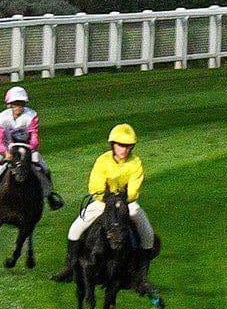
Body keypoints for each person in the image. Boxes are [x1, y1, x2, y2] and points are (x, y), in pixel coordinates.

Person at [53, 123, 158, 296]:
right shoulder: (103, 160)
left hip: (127, 204)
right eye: (120, 145)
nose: (123, 149)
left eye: (127, 146)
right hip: (103, 202)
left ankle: (142, 278)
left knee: (147, 234)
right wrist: (107, 198)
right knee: (75, 229)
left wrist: (121, 199)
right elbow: (95, 185)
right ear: (113, 145)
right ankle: (70, 267)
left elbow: (133, 189)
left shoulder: (136, 162)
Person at [0, 85, 62, 211]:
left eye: (21, 103)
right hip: (6, 149)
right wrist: (5, 152)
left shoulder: (31, 116)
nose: (19, 107)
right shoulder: (1, 118)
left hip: (25, 148)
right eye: (16, 104)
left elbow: (34, 136)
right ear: (10, 104)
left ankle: (50, 195)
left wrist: (30, 148)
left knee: (42, 164)